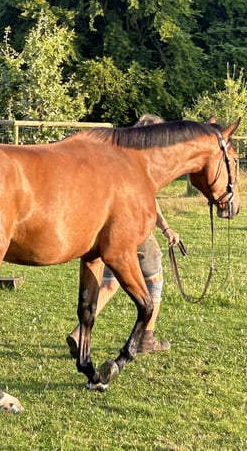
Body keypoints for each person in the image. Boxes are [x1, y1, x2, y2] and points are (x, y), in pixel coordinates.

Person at [66, 114, 180, 356]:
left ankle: (80, 333)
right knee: (154, 279)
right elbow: (147, 203)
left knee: (109, 282)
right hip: (131, 229)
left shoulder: (120, 157)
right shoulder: (139, 164)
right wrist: (165, 227)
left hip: (107, 229)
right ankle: (147, 339)